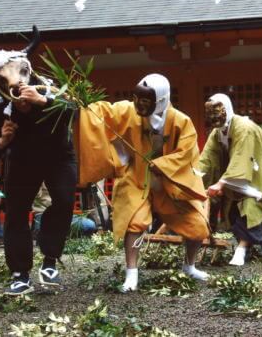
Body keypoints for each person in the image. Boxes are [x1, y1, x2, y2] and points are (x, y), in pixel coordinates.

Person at [90, 73, 210, 292]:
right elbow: (103, 112)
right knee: (135, 223)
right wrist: (79, 105)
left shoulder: (182, 121)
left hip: (170, 183)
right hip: (137, 178)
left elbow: (187, 152)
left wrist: (163, 164)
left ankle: (189, 266)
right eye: (137, 98)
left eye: (145, 101)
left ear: (161, 101)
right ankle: (131, 273)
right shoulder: (128, 110)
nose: (138, 104)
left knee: (198, 228)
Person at [0, 79, 76, 295]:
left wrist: (42, 100)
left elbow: (74, 110)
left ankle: (49, 260)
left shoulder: (46, 88)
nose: (19, 98)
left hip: (59, 156)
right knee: (16, 212)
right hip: (22, 159)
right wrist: (2, 141)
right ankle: (20, 274)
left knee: (65, 201)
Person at [197, 93, 262, 266]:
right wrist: (194, 180)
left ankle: (242, 248)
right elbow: (206, 160)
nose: (214, 116)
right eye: (210, 113)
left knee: (252, 205)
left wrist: (222, 183)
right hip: (240, 174)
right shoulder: (216, 133)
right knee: (233, 207)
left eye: (217, 111)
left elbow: (241, 157)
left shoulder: (243, 127)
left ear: (227, 109)